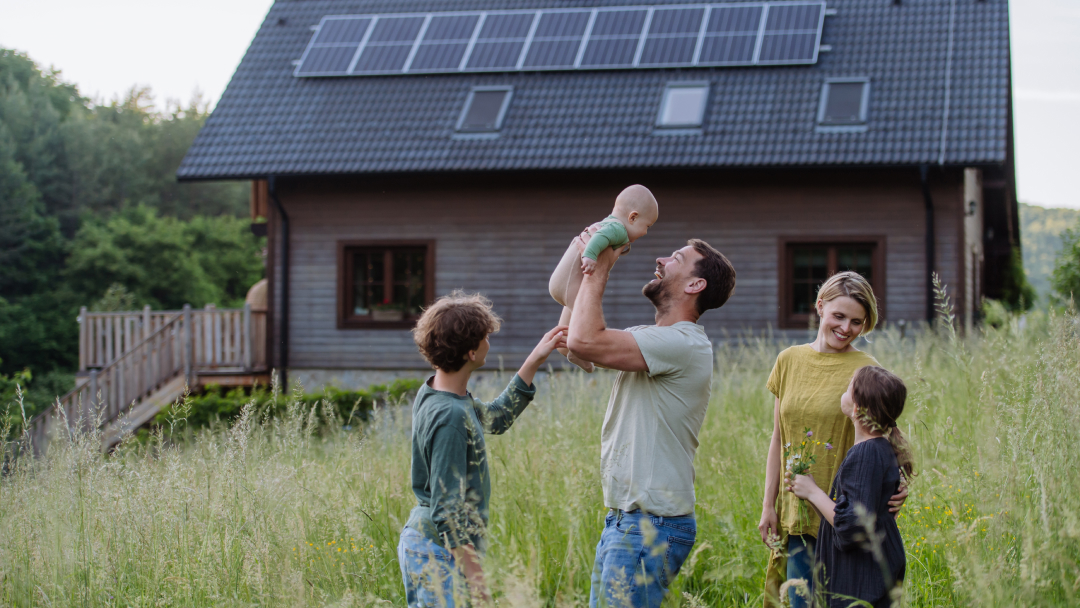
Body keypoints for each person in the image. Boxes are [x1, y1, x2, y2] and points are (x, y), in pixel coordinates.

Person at [567, 234, 736, 608]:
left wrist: (603, 266)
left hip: (649, 526)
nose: (660, 259)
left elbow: (584, 342)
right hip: (630, 522)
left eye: (676, 257)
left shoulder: (683, 343)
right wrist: (585, 256)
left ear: (696, 284)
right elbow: (574, 336)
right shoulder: (654, 339)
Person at [397, 291, 567, 608]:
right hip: (439, 550)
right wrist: (477, 582)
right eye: (486, 338)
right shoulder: (449, 417)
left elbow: (495, 419)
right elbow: (447, 511)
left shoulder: (440, 393)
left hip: (434, 545)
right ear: (472, 352)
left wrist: (534, 360)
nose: (491, 343)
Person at [757, 271, 908, 608]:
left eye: (857, 321)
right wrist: (770, 506)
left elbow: (882, 432)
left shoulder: (864, 367)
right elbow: (778, 437)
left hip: (841, 519)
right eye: (839, 316)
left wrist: (897, 484)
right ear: (820, 306)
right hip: (797, 512)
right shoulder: (788, 360)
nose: (846, 328)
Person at [786, 366, 913, 608]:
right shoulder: (880, 448)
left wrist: (813, 492)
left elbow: (853, 524)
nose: (843, 391)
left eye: (848, 388)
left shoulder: (865, 454)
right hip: (873, 574)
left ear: (856, 409)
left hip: (861, 583)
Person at [549, 184, 659, 373]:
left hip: (561, 282)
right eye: (646, 226)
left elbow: (606, 238)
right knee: (587, 316)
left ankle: (566, 344)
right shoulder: (617, 229)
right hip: (569, 286)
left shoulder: (608, 224)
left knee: (571, 321)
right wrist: (590, 257)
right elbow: (600, 238)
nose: (645, 232)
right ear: (633, 217)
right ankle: (578, 352)